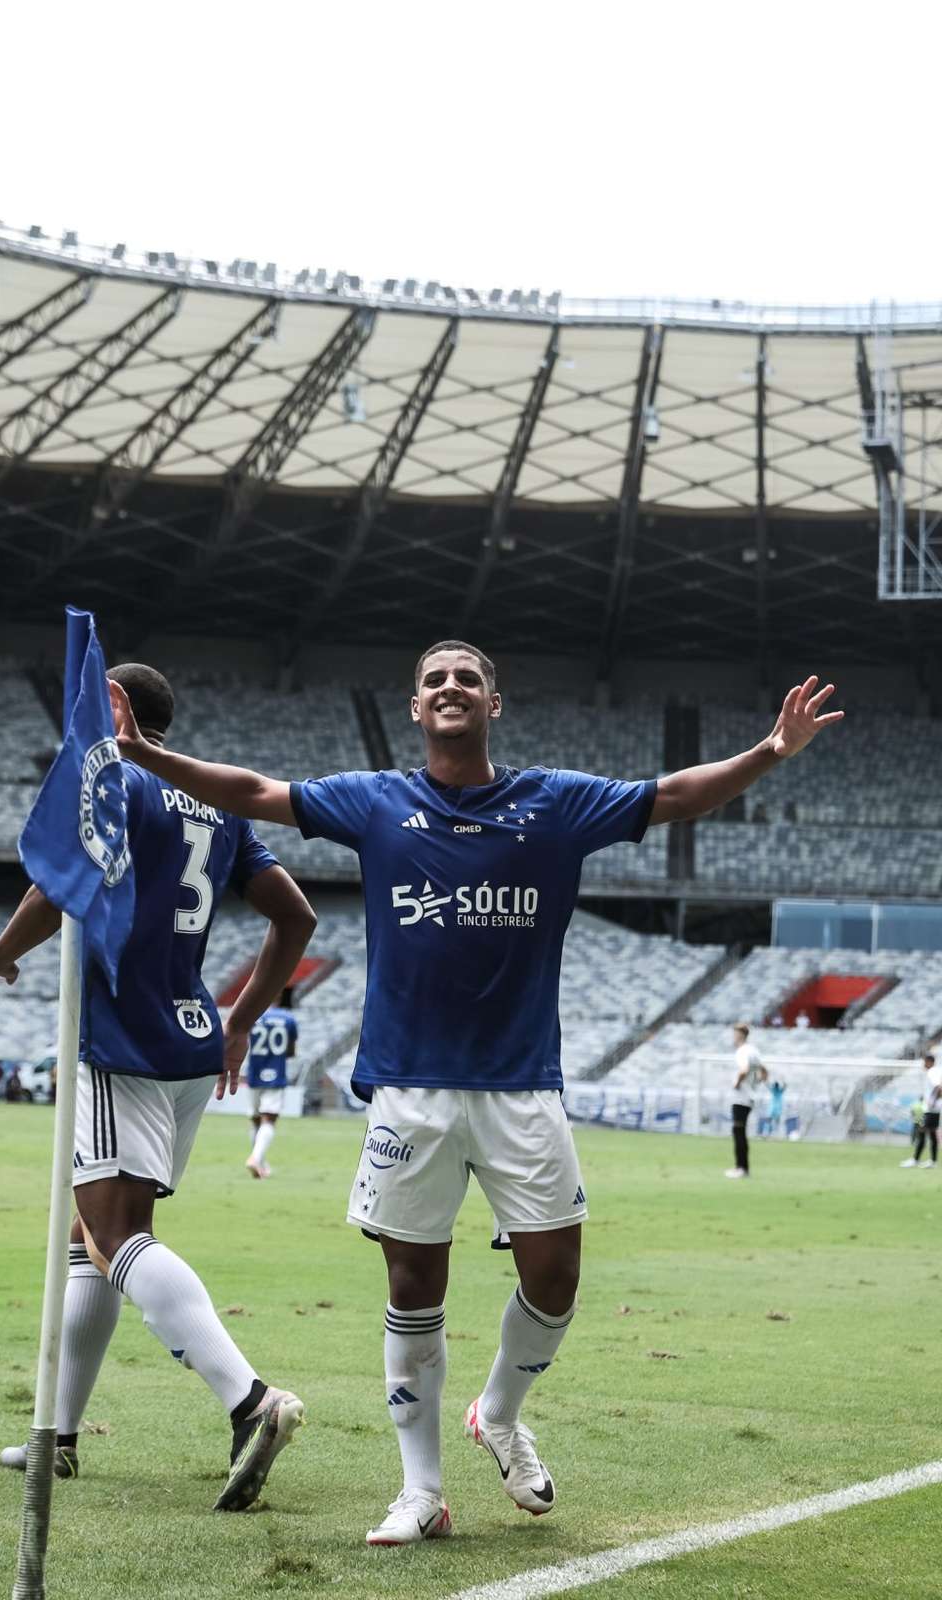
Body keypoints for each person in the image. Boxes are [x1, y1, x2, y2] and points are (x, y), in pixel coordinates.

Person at [112, 642, 844, 1545]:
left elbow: (676, 794)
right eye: (435, 681)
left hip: (520, 1087)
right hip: (410, 1090)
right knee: (414, 1283)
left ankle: (498, 1412)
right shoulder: (377, 800)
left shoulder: (558, 801)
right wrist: (148, 757)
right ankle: (421, 1491)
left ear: (495, 703)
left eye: (468, 678)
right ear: (415, 708)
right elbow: (258, 793)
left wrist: (770, 751)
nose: (451, 687)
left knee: (556, 1275)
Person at [0, 661, 316, 1511]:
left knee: (117, 1234)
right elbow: (297, 918)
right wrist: (239, 1022)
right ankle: (59, 1435)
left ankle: (251, 1401)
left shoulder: (113, 778)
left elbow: (56, 890)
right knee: (95, 1244)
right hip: (194, 1040)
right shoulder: (216, 800)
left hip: (117, 1038)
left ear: (118, 707)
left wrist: (0, 954)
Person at [245, 989, 298, 1179]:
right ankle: (255, 1158)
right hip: (276, 1075)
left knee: (256, 1120)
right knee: (269, 1120)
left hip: (254, 1074)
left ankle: (260, 1163)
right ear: (278, 996)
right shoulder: (288, 1019)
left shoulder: (252, 1016)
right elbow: (291, 1051)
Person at [726, 1023, 767, 1178]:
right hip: (750, 1096)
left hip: (740, 1097)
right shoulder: (754, 1051)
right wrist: (756, 1084)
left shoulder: (742, 1051)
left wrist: (737, 1083)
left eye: (735, 1034)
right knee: (740, 1131)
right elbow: (764, 1071)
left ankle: (741, 1168)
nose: (733, 1037)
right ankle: (743, 1168)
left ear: (740, 1035)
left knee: (738, 1131)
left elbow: (743, 1070)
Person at [900, 1054, 940, 1168]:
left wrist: (932, 1101)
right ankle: (933, 1161)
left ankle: (915, 1159)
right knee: (932, 1134)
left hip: (931, 1109)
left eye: (924, 1062)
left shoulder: (932, 1072)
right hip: (934, 1109)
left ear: (929, 1062)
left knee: (921, 1130)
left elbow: (939, 1087)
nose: (923, 1065)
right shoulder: (936, 1071)